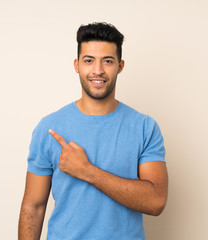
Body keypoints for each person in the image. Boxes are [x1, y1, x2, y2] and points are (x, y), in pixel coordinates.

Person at [18, 22, 168, 240]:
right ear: (77, 65)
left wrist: (87, 170)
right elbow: (33, 207)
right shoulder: (49, 128)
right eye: (89, 60)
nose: (98, 70)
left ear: (120, 66)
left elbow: (156, 202)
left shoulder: (144, 127)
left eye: (107, 61)